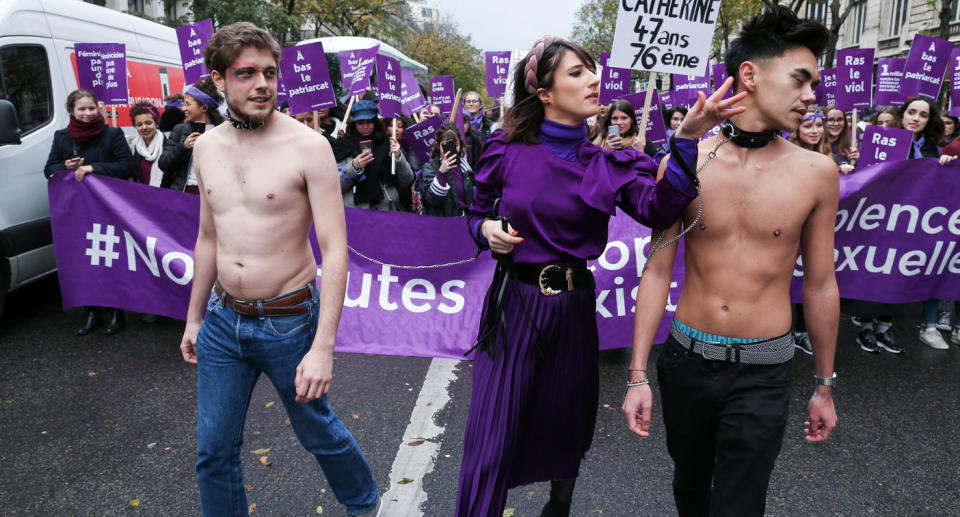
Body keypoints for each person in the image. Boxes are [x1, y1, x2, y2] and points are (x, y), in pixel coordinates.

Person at [456, 34, 716, 517]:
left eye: (592, 70)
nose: (595, 79)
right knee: (491, 430)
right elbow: (473, 212)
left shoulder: (609, 162)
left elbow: (661, 207)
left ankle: (558, 508)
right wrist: (487, 228)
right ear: (544, 92)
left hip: (575, 308)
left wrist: (685, 141)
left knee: (567, 419)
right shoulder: (505, 148)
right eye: (577, 72)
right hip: (515, 305)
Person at [622, 7, 839, 516]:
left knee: (740, 505)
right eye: (801, 80)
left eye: (815, 84)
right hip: (686, 362)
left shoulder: (816, 171)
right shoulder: (686, 161)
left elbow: (822, 285)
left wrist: (825, 386)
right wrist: (636, 375)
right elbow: (656, 268)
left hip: (764, 372)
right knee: (690, 489)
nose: (811, 97)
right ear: (750, 74)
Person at [177, 22, 378, 516]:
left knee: (319, 433)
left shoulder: (308, 147)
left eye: (269, 72)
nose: (262, 84)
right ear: (219, 79)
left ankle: (364, 504)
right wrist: (194, 317)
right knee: (213, 452)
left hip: (289, 320)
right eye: (246, 73)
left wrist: (323, 348)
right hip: (224, 321)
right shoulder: (204, 147)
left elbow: (336, 250)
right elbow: (208, 238)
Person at [43, 89, 135, 336]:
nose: (87, 113)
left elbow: (127, 166)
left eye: (91, 108)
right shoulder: (62, 137)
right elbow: (48, 169)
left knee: (111, 258)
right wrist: (65, 166)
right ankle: (92, 312)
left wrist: (93, 168)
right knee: (83, 261)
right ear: (71, 111)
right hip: (77, 212)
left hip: (108, 209)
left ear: (98, 108)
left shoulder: (112, 133)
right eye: (81, 109)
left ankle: (117, 311)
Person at [897, 95, 954, 350]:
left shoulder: (933, 148)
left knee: (930, 265)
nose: (916, 119)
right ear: (903, 114)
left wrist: (946, 166)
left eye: (923, 115)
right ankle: (870, 327)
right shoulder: (885, 141)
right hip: (887, 219)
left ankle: (927, 326)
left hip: (918, 221)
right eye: (912, 112)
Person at [333, 100, 414, 211]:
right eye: (360, 122)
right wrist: (353, 167)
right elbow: (334, 186)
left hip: (386, 209)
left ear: (375, 122)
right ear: (354, 123)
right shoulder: (342, 146)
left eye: (369, 122)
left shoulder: (388, 142)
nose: (365, 127)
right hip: (355, 213)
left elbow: (407, 180)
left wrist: (399, 157)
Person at [158, 77, 224, 193]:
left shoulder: (224, 131)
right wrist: (183, 147)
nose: (183, 108)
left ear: (204, 107)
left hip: (215, 193)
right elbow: (163, 164)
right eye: (183, 104)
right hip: (186, 191)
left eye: (187, 104)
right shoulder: (179, 130)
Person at [418, 122, 474, 217]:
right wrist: (442, 173)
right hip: (443, 223)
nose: (450, 149)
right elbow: (432, 201)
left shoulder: (465, 167)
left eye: (455, 144)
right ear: (438, 145)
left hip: (464, 220)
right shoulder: (430, 168)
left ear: (460, 145)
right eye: (446, 144)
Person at [128, 102, 165, 187]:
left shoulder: (168, 145)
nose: (144, 127)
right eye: (139, 124)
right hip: (142, 195)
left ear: (156, 123)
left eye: (148, 123)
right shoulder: (133, 148)